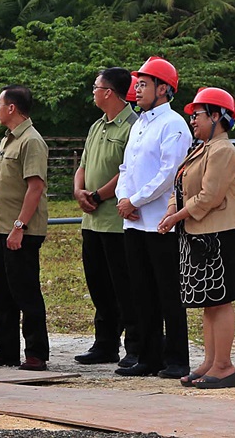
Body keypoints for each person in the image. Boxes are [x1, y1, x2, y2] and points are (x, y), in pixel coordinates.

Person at [158, 87, 235, 389]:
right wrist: (171, 210)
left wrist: (175, 217)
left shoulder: (223, 150)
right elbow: (179, 186)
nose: (193, 120)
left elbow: (209, 196)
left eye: (197, 115)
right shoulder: (200, 149)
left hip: (220, 232)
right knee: (208, 301)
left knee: (220, 300)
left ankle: (224, 365)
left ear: (216, 116)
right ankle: (211, 361)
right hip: (199, 232)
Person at [114, 57, 192, 379]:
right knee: (141, 291)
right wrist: (123, 198)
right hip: (134, 220)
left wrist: (136, 199)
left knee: (167, 292)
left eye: (144, 84)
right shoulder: (140, 123)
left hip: (161, 222)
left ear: (163, 88)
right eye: (138, 83)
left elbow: (168, 173)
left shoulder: (173, 124)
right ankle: (147, 356)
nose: (138, 89)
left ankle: (176, 358)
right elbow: (126, 167)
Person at [0, 85, 50, 371]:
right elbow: (4, 189)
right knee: (1, 292)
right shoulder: (8, 139)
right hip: (1, 228)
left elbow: (34, 188)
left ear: (12, 108)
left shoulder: (31, 141)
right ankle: (5, 349)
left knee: (25, 291)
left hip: (22, 230)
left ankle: (36, 353)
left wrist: (20, 226)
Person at [71, 67, 140, 368]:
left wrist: (98, 195)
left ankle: (135, 346)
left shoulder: (133, 126)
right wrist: (78, 191)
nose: (94, 92)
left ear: (109, 91)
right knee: (98, 284)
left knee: (124, 287)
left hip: (116, 221)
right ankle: (105, 344)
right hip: (92, 221)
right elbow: (83, 164)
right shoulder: (97, 126)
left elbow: (126, 172)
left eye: (96, 87)